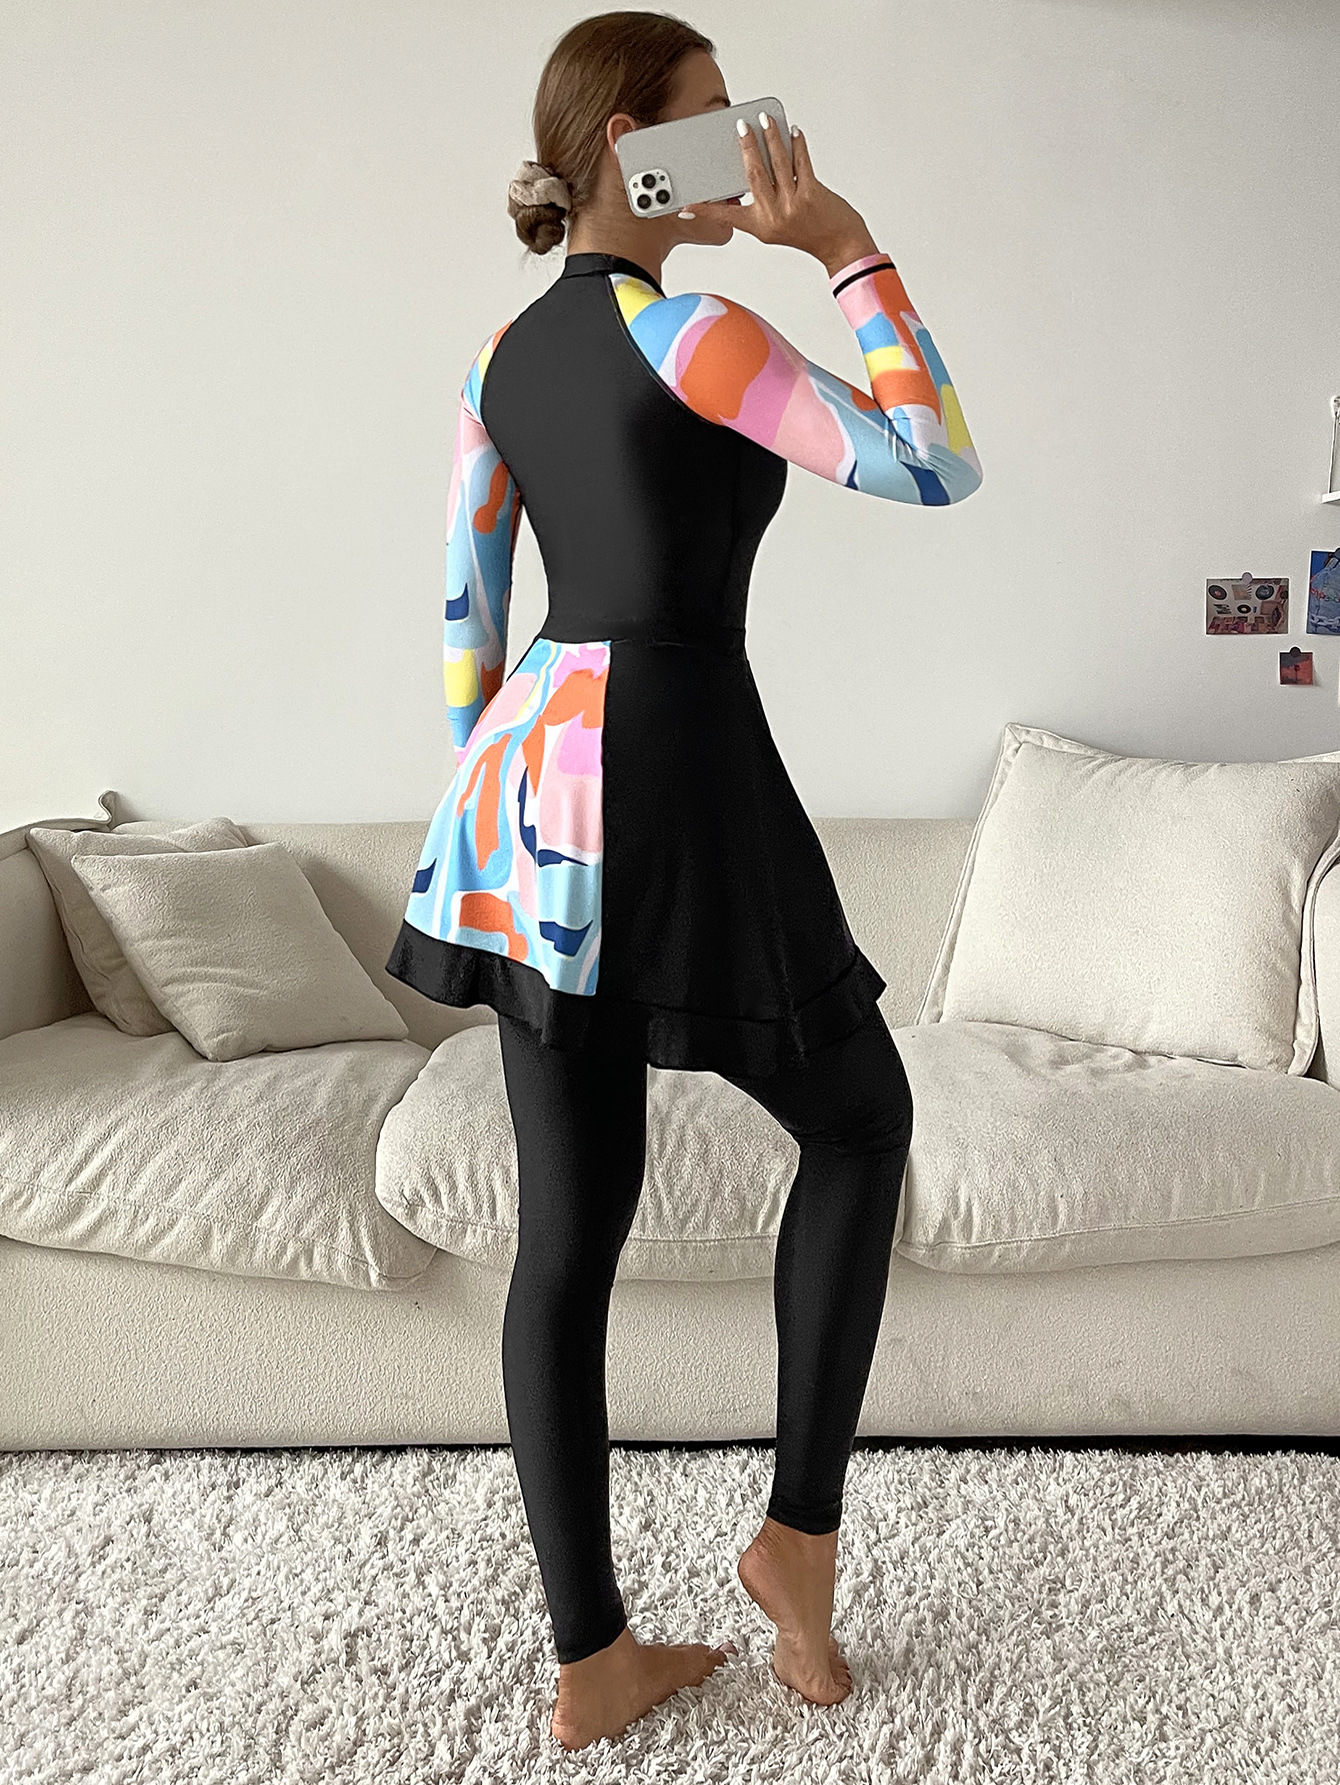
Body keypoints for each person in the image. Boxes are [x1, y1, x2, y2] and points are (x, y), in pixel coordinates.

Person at [384, 9, 982, 1754]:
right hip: (678, 768)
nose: (744, 150)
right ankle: (796, 1542)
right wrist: (845, 245)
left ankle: (593, 1654)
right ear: (628, 146)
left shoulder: (500, 355)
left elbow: (465, 626)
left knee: (567, 1235)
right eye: (712, 121)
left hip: (528, 801)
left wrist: (506, 807)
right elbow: (932, 457)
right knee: (861, 1122)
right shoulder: (694, 333)